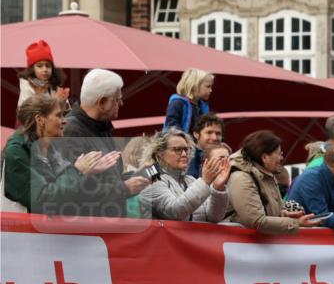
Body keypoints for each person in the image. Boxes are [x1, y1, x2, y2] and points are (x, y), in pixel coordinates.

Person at [2, 95, 119, 214]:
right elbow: (43, 199)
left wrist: (87, 172)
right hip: (26, 231)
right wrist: (77, 171)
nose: (65, 120)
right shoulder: (17, 152)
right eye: (58, 115)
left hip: (51, 230)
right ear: (40, 120)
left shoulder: (52, 149)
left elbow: (66, 194)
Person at [59, 69, 150, 217]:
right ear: (102, 102)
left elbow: (110, 178)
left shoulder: (101, 128)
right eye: (117, 99)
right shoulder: (71, 132)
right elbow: (76, 189)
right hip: (88, 230)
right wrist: (125, 188)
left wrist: (136, 176)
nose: (121, 102)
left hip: (106, 227)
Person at [225, 130, 321, 234]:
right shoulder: (241, 178)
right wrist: (296, 223)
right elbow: (257, 221)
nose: (282, 158)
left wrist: (283, 214)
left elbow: (266, 213)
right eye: (279, 154)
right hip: (238, 245)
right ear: (265, 157)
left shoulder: (266, 175)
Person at [139, 128, 229, 222]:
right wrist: (204, 182)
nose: (184, 154)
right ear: (160, 154)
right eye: (177, 149)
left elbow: (213, 218)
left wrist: (218, 189)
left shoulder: (191, 180)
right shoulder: (149, 179)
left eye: (186, 149)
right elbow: (175, 212)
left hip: (194, 236)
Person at [18, 40, 70, 108]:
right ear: (32, 69)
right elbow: (27, 112)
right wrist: (54, 102)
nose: (45, 70)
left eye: (48, 66)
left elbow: (66, 114)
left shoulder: (54, 85)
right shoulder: (27, 85)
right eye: (39, 66)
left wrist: (63, 103)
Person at [163, 68, 213, 134]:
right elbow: (171, 127)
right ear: (195, 86)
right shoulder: (177, 103)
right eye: (208, 86)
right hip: (180, 142)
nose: (210, 90)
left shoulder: (203, 107)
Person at [187, 112, 225, 176]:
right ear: (196, 134)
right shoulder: (186, 158)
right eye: (209, 133)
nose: (214, 138)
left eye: (218, 133)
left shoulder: (227, 156)